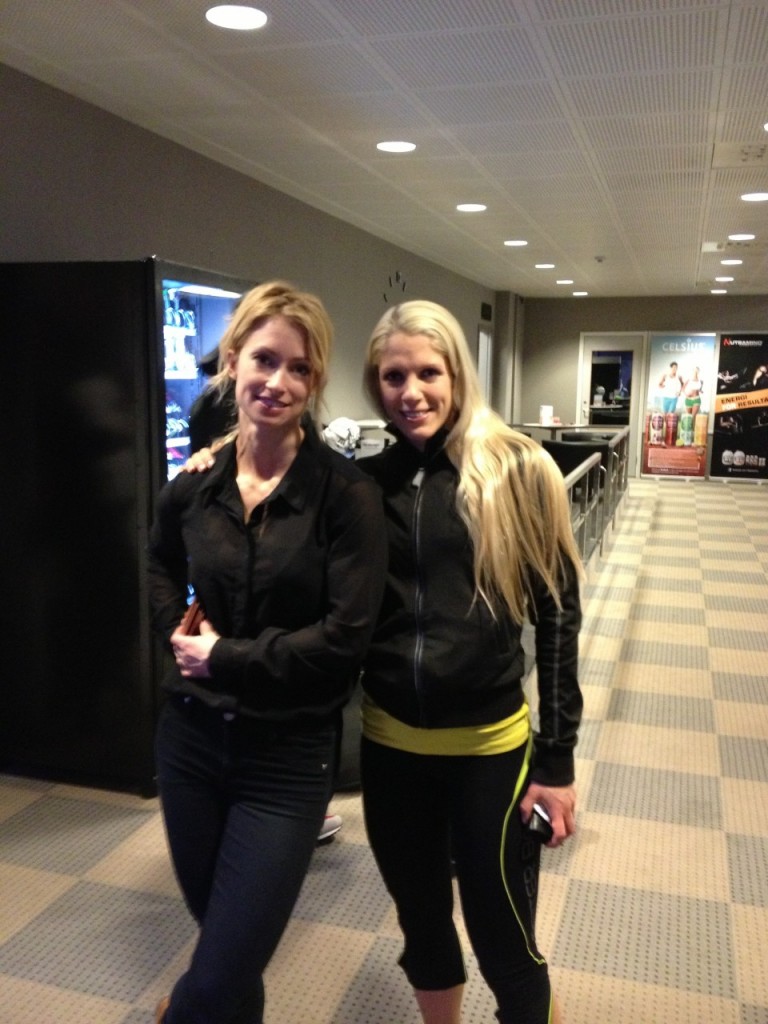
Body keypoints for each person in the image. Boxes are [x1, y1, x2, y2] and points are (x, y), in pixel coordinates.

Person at [147, 280, 386, 1024]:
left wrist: (223, 657)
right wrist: (175, 630)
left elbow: (344, 639)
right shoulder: (196, 483)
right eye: (264, 359)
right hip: (190, 742)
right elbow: (157, 560)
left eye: (300, 368)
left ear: (316, 381)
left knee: (218, 970)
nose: (279, 382)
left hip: (286, 758)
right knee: (228, 954)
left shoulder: (345, 495)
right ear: (232, 361)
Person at [357, 300, 583, 1024]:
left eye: (429, 372)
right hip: (391, 749)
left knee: (504, 941)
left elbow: (557, 617)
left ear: (458, 374)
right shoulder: (363, 484)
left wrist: (557, 760)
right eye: (394, 376)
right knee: (422, 928)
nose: (411, 392)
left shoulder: (517, 468)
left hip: (491, 753)